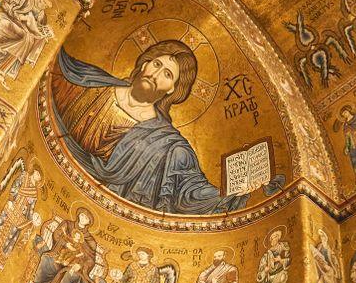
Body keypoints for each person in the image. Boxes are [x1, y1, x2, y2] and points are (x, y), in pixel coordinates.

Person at [51, 42, 270, 214]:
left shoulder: (169, 146)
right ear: (145, 63)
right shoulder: (88, 83)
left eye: (167, 74)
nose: (156, 75)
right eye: (157, 64)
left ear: (172, 89)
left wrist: (232, 190)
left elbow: (188, 192)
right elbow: (54, 66)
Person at [26, 209, 104, 283]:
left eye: (86, 218)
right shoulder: (67, 224)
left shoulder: (90, 240)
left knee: (71, 276)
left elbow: (90, 259)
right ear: (78, 215)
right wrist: (64, 243)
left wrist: (80, 265)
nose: (83, 218)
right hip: (60, 255)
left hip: (74, 264)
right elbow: (56, 234)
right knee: (47, 260)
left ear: (89, 222)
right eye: (82, 215)